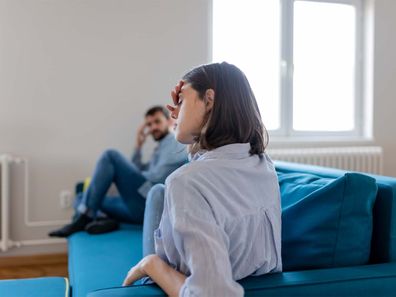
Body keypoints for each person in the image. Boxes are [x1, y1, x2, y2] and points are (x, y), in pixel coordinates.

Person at [122, 62, 282, 296]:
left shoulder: (185, 182)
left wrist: (152, 264)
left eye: (181, 101)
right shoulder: (262, 164)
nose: (173, 113)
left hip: (176, 287)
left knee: (158, 192)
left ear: (209, 100)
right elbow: (212, 161)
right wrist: (191, 109)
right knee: (157, 192)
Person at [49, 106, 188, 237]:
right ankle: (103, 220)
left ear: (169, 120)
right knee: (82, 197)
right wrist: (138, 147)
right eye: (149, 124)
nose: (153, 128)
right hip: (140, 208)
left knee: (110, 156)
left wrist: (121, 180)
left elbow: (156, 178)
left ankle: (85, 218)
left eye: (157, 122)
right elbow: (138, 170)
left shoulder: (174, 142)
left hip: (151, 202)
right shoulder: (160, 147)